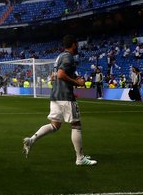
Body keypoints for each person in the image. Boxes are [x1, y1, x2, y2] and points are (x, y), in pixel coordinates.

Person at [22, 35, 97, 166]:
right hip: (65, 96)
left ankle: (32, 139)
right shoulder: (68, 57)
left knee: (55, 125)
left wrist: (72, 78)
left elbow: (54, 75)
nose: (78, 46)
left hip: (55, 96)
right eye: (77, 44)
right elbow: (61, 74)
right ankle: (80, 158)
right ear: (74, 44)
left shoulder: (59, 57)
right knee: (76, 125)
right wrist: (77, 82)